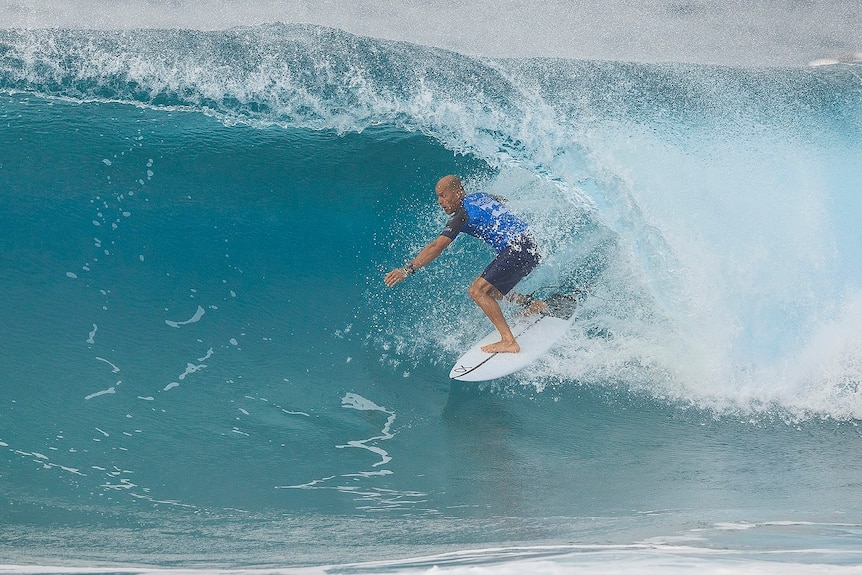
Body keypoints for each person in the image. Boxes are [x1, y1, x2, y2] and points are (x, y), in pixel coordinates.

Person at [384, 175, 544, 353]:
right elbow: (500, 200)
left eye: (444, 195)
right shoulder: (480, 196)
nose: (440, 201)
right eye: (438, 197)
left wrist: (407, 270)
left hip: (516, 248)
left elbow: (437, 246)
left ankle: (508, 341)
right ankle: (532, 304)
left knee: (477, 291)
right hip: (529, 245)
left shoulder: (462, 214)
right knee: (490, 290)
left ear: (458, 192)